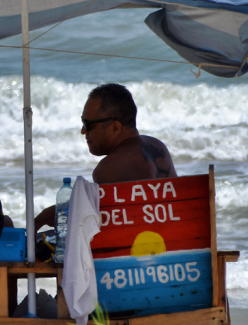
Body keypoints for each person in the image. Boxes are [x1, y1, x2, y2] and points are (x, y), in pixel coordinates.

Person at [37, 83, 176, 229]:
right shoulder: (157, 146)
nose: (83, 131)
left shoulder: (109, 167)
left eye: (88, 124)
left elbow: (98, 225)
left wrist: (42, 218)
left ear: (115, 128)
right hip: (175, 237)